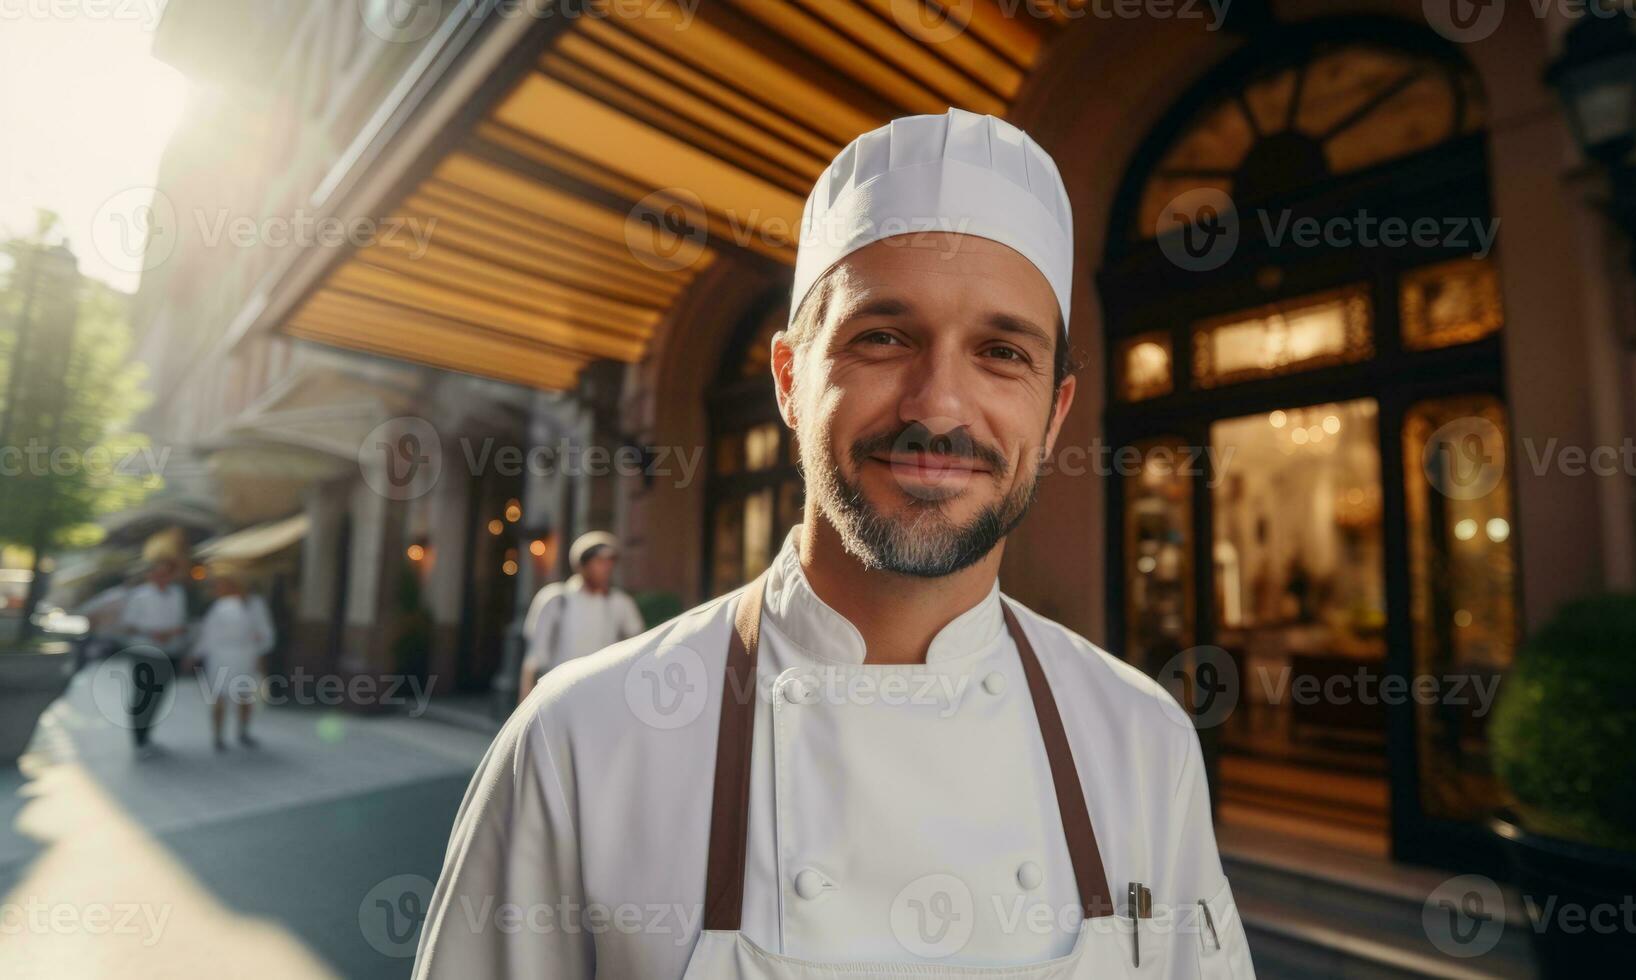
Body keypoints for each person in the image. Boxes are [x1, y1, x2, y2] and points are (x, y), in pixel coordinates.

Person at [415, 109, 1254, 978]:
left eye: (1001, 352)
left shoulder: (1142, 741)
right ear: (788, 379)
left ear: (1054, 415)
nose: (938, 407)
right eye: (883, 338)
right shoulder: (578, 741)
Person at [516, 531, 645, 703]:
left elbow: (638, 646)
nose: (606, 567)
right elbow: (535, 658)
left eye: (610, 561)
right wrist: (524, 703)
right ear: (582, 564)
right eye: (599, 561)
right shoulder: (556, 599)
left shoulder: (620, 602)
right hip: (559, 695)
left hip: (603, 695)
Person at [191, 566, 271, 751]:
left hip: (245, 655)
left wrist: (261, 645)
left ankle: (243, 732)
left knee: (244, 696)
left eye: (221, 585)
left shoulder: (255, 604)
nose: (217, 589)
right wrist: (196, 654)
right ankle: (218, 736)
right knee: (219, 696)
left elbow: (265, 631)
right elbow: (208, 633)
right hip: (221, 656)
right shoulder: (219, 606)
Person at [116, 558, 188, 758]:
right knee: (143, 696)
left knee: (158, 696)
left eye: (166, 573)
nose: (161, 577)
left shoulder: (177, 594)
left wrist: (174, 633)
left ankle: (146, 736)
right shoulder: (140, 596)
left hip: (169, 651)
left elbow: (181, 621)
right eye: (158, 573)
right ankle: (138, 740)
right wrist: (152, 633)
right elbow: (128, 623)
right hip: (145, 651)